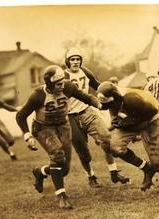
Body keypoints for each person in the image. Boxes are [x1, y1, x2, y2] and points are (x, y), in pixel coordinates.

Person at [16, 65, 102, 209]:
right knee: (57, 155)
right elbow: (20, 115)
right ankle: (61, 196)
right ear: (49, 84)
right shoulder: (38, 95)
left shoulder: (68, 87)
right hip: (43, 128)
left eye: (63, 82)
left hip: (63, 125)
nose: (62, 86)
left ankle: (40, 172)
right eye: (58, 84)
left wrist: (99, 104)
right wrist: (27, 135)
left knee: (65, 169)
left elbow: (85, 97)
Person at [97, 82, 159, 193]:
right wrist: (106, 130)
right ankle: (146, 168)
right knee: (115, 147)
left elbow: (152, 112)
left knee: (157, 163)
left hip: (151, 121)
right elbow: (116, 118)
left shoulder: (131, 99)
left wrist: (130, 124)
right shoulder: (111, 99)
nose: (109, 107)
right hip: (131, 122)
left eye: (110, 104)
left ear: (115, 97)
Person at [64, 47, 129, 187]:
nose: (75, 62)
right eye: (72, 59)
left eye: (78, 59)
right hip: (70, 116)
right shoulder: (63, 77)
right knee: (84, 153)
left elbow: (98, 86)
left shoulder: (85, 72)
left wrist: (109, 95)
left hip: (87, 110)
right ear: (67, 61)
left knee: (106, 138)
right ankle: (91, 176)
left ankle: (114, 172)